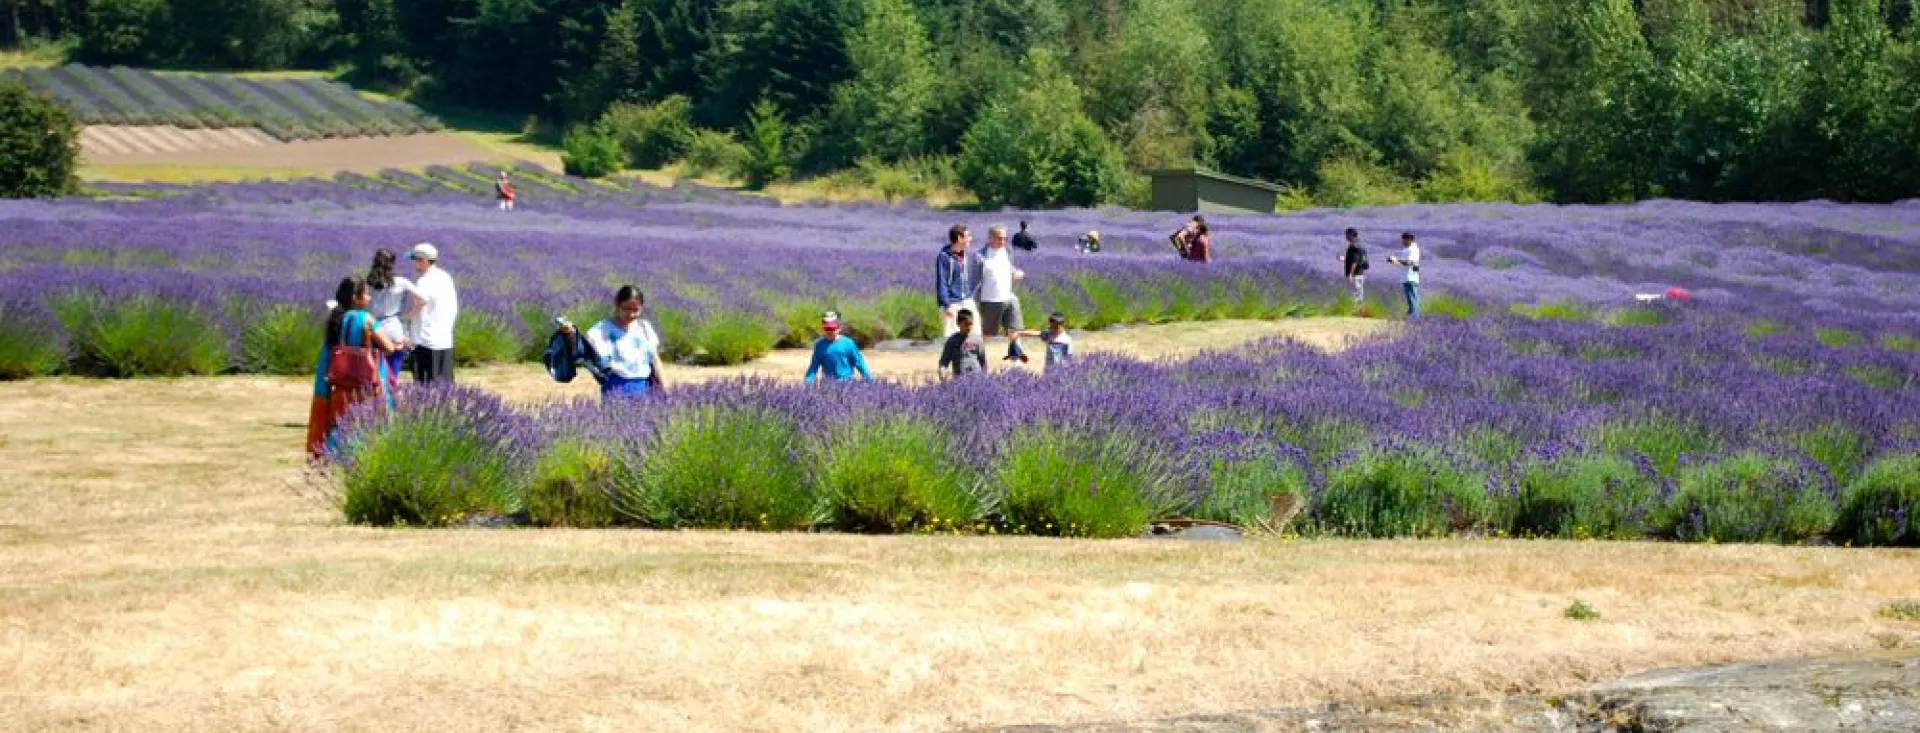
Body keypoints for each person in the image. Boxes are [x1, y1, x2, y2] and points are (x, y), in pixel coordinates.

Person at [305, 278, 397, 460]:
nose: (369, 298)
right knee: (368, 420)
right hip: (366, 381)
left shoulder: (336, 319)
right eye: (366, 294)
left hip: (341, 382)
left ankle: (334, 455)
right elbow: (389, 348)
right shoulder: (366, 319)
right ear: (356, 298)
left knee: (341, 421)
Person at [560, 285, 666, 399]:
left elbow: (655, 360)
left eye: (636, 310)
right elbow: (584, 349)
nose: (631, 314)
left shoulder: (644, 328)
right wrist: (571, 335)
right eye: (626, 309)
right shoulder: (602, 329)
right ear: (616, 304)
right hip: (616, 388)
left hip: (645, 389)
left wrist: (664, 387)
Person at [406, 242, 459, 384]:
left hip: (425, 342)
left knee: (424, 386)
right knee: (444, 387)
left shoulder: (423, 281)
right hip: (445, 339)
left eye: (414, 260)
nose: (413, 264)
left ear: (423, 261)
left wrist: (405, 318)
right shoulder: (445, 276)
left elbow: (421, 302)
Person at [365, 249, 415, 388]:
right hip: (393, 327)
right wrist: (407, 316)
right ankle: (390, 403)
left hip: (373, 327)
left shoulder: (368, 282)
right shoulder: (401, 282)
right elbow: (422, 299)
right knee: (393, 372)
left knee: (372, 370)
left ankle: (371, 404)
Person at [977, 224, 1027, 342]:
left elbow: (1008, 267)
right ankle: (978, 356)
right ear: (990, 238)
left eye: (1005, 238)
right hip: (991, 300)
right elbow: (974, 280)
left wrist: (1016, 272)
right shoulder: (980, 256)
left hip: (1009, 297)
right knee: (987, 334)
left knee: (1015, 330)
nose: (1003, 241)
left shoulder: (1007, 252)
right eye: (1000, 238)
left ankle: (1016, 360)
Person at [934, 224, 982, 339]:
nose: (970, 238)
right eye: (968, 236)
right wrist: (946, 305)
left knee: (975, 331)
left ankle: (971, 356)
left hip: (967, 299)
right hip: (952, 302)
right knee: (951, 336)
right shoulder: (944, 257)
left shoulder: (968, 255)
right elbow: (942, 282)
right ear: (960, 238)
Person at [804, 311, 873, 384]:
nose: (830, 331)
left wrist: (870, 381)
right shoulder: (819, 345)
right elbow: (813, 367)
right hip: (827, 384)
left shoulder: (848, 343)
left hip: (846, 384)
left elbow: (859, 363)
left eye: (832, 329)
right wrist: (807, 382)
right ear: (823, 328)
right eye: (827, 329)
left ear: (839, 328)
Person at [1007, 311, 1074, 373]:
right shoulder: (1049, 335)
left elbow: (1069, 358)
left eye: (1056, 328)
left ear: (1063, 326)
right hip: (1048, 369)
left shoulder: (1066, 340)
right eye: (1051, 327)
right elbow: (1035, 333)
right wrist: (1019, 333)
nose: (1053, 329)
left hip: (1061, 371)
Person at [937, 308, 986, 378]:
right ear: (958, 323)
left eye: (970, 324)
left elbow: (983, 361)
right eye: (966, 324)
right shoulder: (952, 341)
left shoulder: (977, 340)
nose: (969, 327)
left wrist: (984, 377)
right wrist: (942, 372)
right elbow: (944, 361)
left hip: (976, 377)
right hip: (959, 379)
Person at [1387, 232, 1421, 318]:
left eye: (1404, 240)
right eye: (1402, 240)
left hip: (1411, 277)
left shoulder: (1413, 250)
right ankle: (1411, 315)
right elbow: (1403, 262)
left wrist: (1397, 259)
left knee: (1412, 298)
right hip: (1406, 277)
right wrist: (1394, 261)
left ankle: (1414, 317)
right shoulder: (1407, 249)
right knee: (1410, 298)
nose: (1403, 242)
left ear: (1410, 240)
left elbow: (1409, 262)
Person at [1339, 228, 1369, 304]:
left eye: (1347, 235)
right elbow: (1357, 259)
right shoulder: (1360, 245)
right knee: (1359, 294)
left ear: (1351, 235)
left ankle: (1355, 312)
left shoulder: (1353, 246)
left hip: (1355, 274)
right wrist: (1343, 259)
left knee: (1354, 295)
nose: (1346, 237)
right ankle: (1360, 311)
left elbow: (1355, 261)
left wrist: (1350, 274)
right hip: (1361, 273)